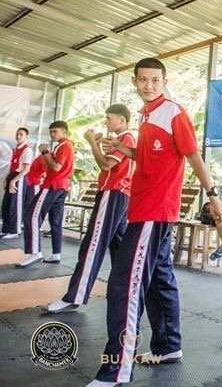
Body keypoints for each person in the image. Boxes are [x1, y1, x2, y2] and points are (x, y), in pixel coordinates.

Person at [87, 58, 222, 387]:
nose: (149, 85)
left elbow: (192, 155)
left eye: (155, 80)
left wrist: (213, 194)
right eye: (143, 80)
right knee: (159, 280)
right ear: (135, 82)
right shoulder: (147, 115)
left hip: (154, 211)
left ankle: (117, 367)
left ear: (164, 81)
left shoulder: (173, 112)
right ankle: (168, 345)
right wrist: (123, 148)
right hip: (144, 210)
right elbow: (151, 156)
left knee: (124, 285)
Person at [47, 104, 135, 313]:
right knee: (118, 246)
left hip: (113, 193)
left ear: (122, 120)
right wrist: (95, 143)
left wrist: (90, 142)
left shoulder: (126, 139)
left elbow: (105, 165)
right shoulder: (122, 140)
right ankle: (125, 291)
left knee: (92, 245)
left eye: (110, 118)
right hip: (119, 194)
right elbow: (105, 163)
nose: (106, 122)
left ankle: (74, 296)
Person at [17, 120, 74, 267]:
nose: (52, 134)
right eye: (51, 131)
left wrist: (45, 151)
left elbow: (55, 167)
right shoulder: (63, 146)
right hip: (61, 186)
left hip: (52, 185)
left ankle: (35, 252)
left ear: (64, 132)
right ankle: (56, 254)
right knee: (55, 221)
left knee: (31, 216)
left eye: (55, 131)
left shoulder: (64, 146)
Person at [1, 127, 33, 239]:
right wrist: (6, 179)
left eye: (21, 134)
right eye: (17, 134)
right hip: (12, 175)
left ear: (26, 137)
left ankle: (15, 230)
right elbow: (12, 166)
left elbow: (26, 169)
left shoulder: (27, 150)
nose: (18, 136)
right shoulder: (16, 149)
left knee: (15, 205)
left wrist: (14, 180)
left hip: (19, 178)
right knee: (6, 205)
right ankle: (5, 229)